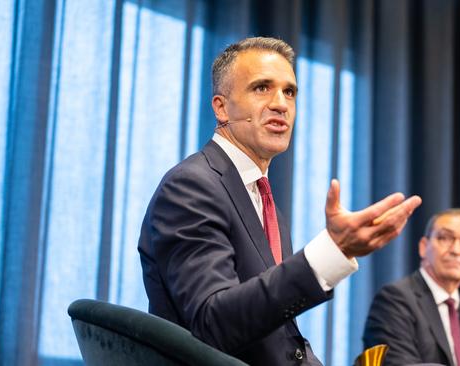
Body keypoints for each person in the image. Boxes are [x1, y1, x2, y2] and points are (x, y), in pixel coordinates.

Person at [138, 37, 422, 366]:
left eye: (290, 92)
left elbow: (276, 336)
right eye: (262, 88)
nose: (281, 104)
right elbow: (214, 322)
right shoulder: (190, 187)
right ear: (221, 107)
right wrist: (330, 251)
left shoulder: (262, 200)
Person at [363, 208, 460, 366]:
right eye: (445, 238)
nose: (456, 250)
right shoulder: (394, 300)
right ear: (423, 246)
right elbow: (397, 363)